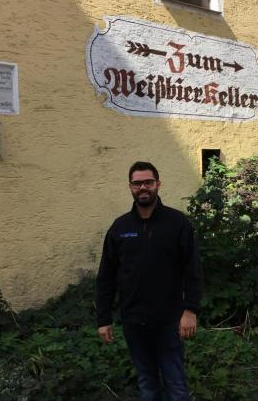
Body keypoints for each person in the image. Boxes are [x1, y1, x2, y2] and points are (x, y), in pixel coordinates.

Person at [96, 161, 203, 401]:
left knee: (176, 385)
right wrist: (104, 319)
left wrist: (190, 310)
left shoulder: (177, 223)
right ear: (130, 187)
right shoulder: (120, 227)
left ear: (158, 184)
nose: (143, 187)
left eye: (148, 182)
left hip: (169, 321)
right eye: (137, 183)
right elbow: (106, 277)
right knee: (147, 383)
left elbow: (193, 270)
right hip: (133, 322)